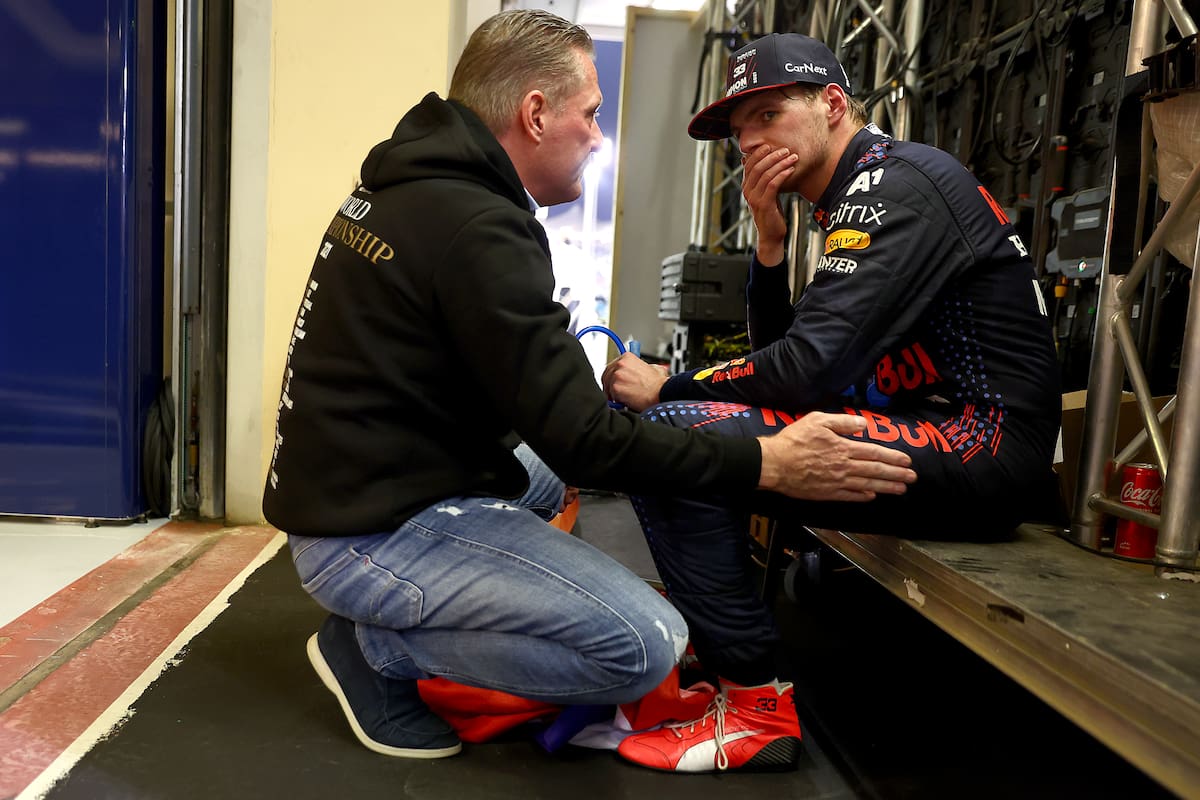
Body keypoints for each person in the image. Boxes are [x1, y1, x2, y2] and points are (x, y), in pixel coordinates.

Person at [261, 12, 916, 763]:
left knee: (546, 480)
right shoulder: (477, 227)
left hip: (357, 487)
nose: (599, 137)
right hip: (368, 534)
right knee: (646, 644)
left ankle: (404, 611)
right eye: (592, 115)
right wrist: (768, 463)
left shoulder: (415, 184)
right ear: (535, 114)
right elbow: (588, 443)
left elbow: (541, 411)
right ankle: (379, 649)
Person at [602, 33, 1062, 773]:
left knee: (675, 427)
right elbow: (794, 353)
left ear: (833, 104)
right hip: (924, 426)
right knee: (687, 432)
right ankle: (732, 675)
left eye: (767, 113)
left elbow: (802, 371)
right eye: (737, 126)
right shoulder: (853, 193)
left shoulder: (895, 186)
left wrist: (671, 385)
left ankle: (753, 705)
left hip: (985, 443)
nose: (747, 138)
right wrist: (769, 238)